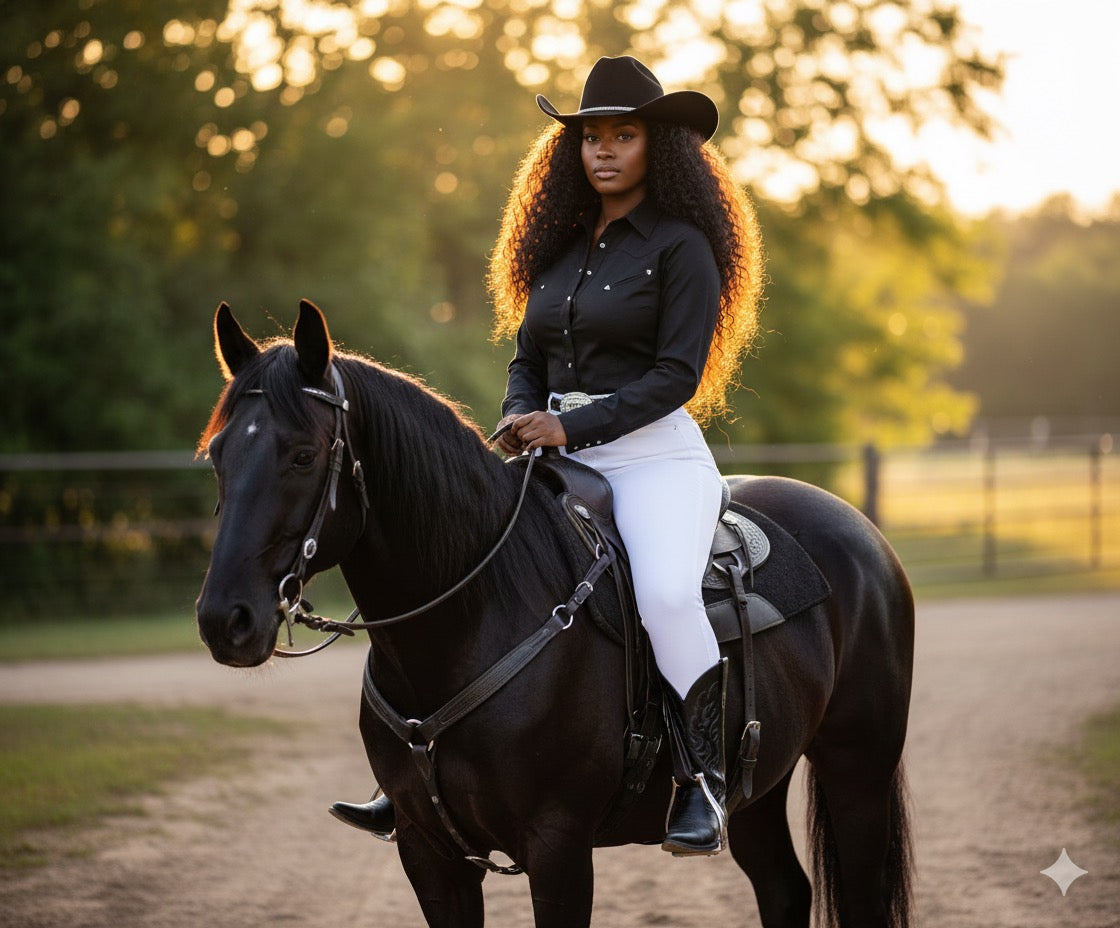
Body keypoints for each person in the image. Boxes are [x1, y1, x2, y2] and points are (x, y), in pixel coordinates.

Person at [331, 55, 762, 857]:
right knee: (458, 569)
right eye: (591, 136)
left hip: (653, 460)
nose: (602, 150)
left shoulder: (682, 249)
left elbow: (677, 377)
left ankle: (701, 779)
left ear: (656, 148)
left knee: (667, 596)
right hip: (554, 458)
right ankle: (417, 773)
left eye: (622, 136)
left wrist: (574, 426)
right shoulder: (559, 253)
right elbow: (527, 355)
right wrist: (520, 411)